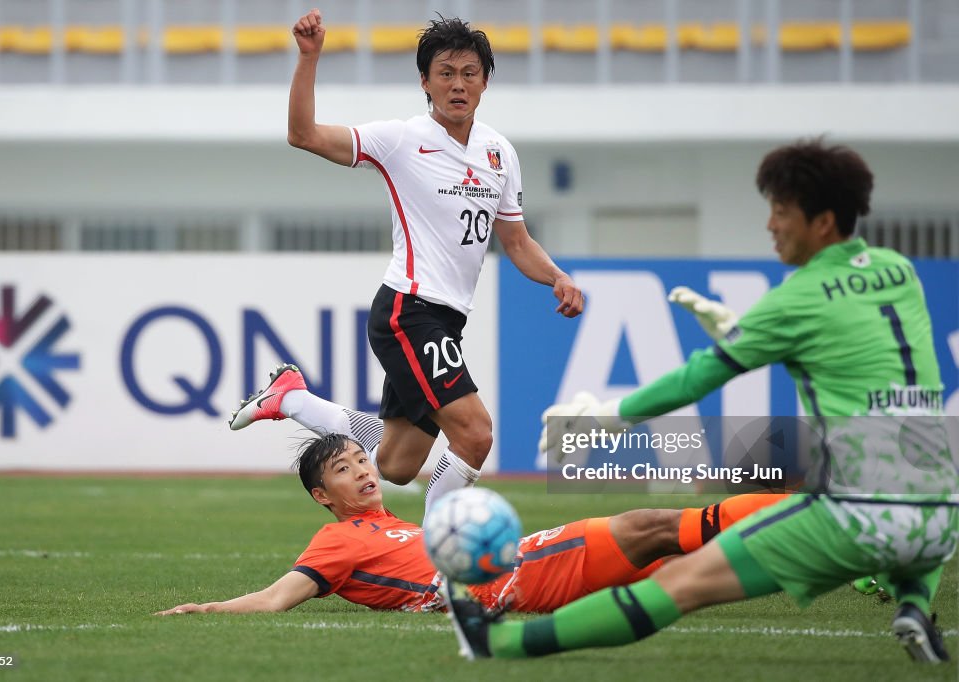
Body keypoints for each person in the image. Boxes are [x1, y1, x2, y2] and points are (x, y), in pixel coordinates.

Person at [444, 139, 958, 663]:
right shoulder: (900, 272)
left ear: (822, 222)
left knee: (680, 582)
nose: (770, 225)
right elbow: (854, 344)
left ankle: (499, 641)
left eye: (781, 212)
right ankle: (914, 604)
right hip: (943, 516)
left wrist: (605, 416)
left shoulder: (796, 300)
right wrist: (743, 331)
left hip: (861, 512)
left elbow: (697, 379)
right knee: (908, 518)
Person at [227, 9, 583, 520]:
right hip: (408, 311)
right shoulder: (400, 138)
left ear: (484, 81)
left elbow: (517, 241)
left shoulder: (498, 152)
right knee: (475, 433)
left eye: (469, 74)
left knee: (395, 463)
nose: (458, 85)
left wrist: (558, 276)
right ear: (425, 82)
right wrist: (309, 59)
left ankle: (294, 401)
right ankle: (439, 562)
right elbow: (303, 134)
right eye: (446, 73)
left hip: (445, 320)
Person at [155, 433, 785, 617]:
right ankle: (801, 509)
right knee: (647, 524)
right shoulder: (336, 540)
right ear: (324, 497)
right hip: (502, 580)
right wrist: (206, 609)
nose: (366, 473)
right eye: (346, 471)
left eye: (363, 462)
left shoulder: (393, 520)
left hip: (513, 568)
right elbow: (275, 600)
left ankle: (824, 550)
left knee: (689, 566)